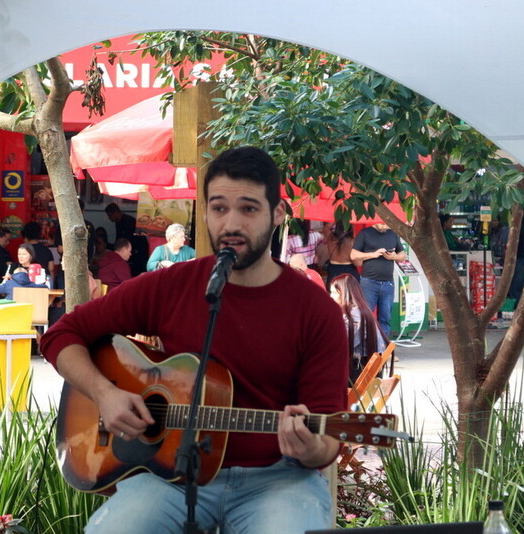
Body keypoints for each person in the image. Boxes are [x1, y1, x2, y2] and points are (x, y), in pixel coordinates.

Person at [41, 146, 348, 533]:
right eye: (219, 208)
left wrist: (311, 449)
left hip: (278, 480)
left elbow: (329, 437)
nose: (231, 223)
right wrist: (105, 393)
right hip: (170, 477)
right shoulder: (173, 284)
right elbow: (62, 335)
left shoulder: (315, 310)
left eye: (249, 208)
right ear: (204, 212)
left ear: (278, 214)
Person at [329, 273, 389, 384]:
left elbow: (342, 345)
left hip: (358, 373)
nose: (330, 297)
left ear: (344, 294)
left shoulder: (354, 314)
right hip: (366, 371)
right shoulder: (359, 310)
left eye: (333, 293)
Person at [351, 223, 406, 338]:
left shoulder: (393, 234)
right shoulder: (365, 233)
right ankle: (365, 348)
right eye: (384, 224)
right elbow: (353, 255)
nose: (386, 226)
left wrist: (393, 257)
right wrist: (373, 254)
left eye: (388, 224)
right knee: (366, 317)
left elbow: (402, 254)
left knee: (385, 318)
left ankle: (384, 349)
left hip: (388, 283)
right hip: (369, 282)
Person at [105, 202, 148, 277]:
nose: (109, 218)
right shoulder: (118, 222)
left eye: (110, 215)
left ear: (115, 212)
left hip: (138, 252)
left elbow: (128, 239)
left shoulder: (129, 222)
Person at [322, 220, 360, 288]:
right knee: (349, 295)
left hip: (333, 269)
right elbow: (358, 263)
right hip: (349, 270)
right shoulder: (353, 241)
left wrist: (336, 218)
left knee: (334, 295)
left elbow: (326, 227)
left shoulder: (330, 236)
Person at [508, 218, 524, 306]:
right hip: (523, 258)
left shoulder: (515, 232)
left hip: (514, 259)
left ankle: (515, 303)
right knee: (519, 283)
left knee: (513, 283)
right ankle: (519, 303)